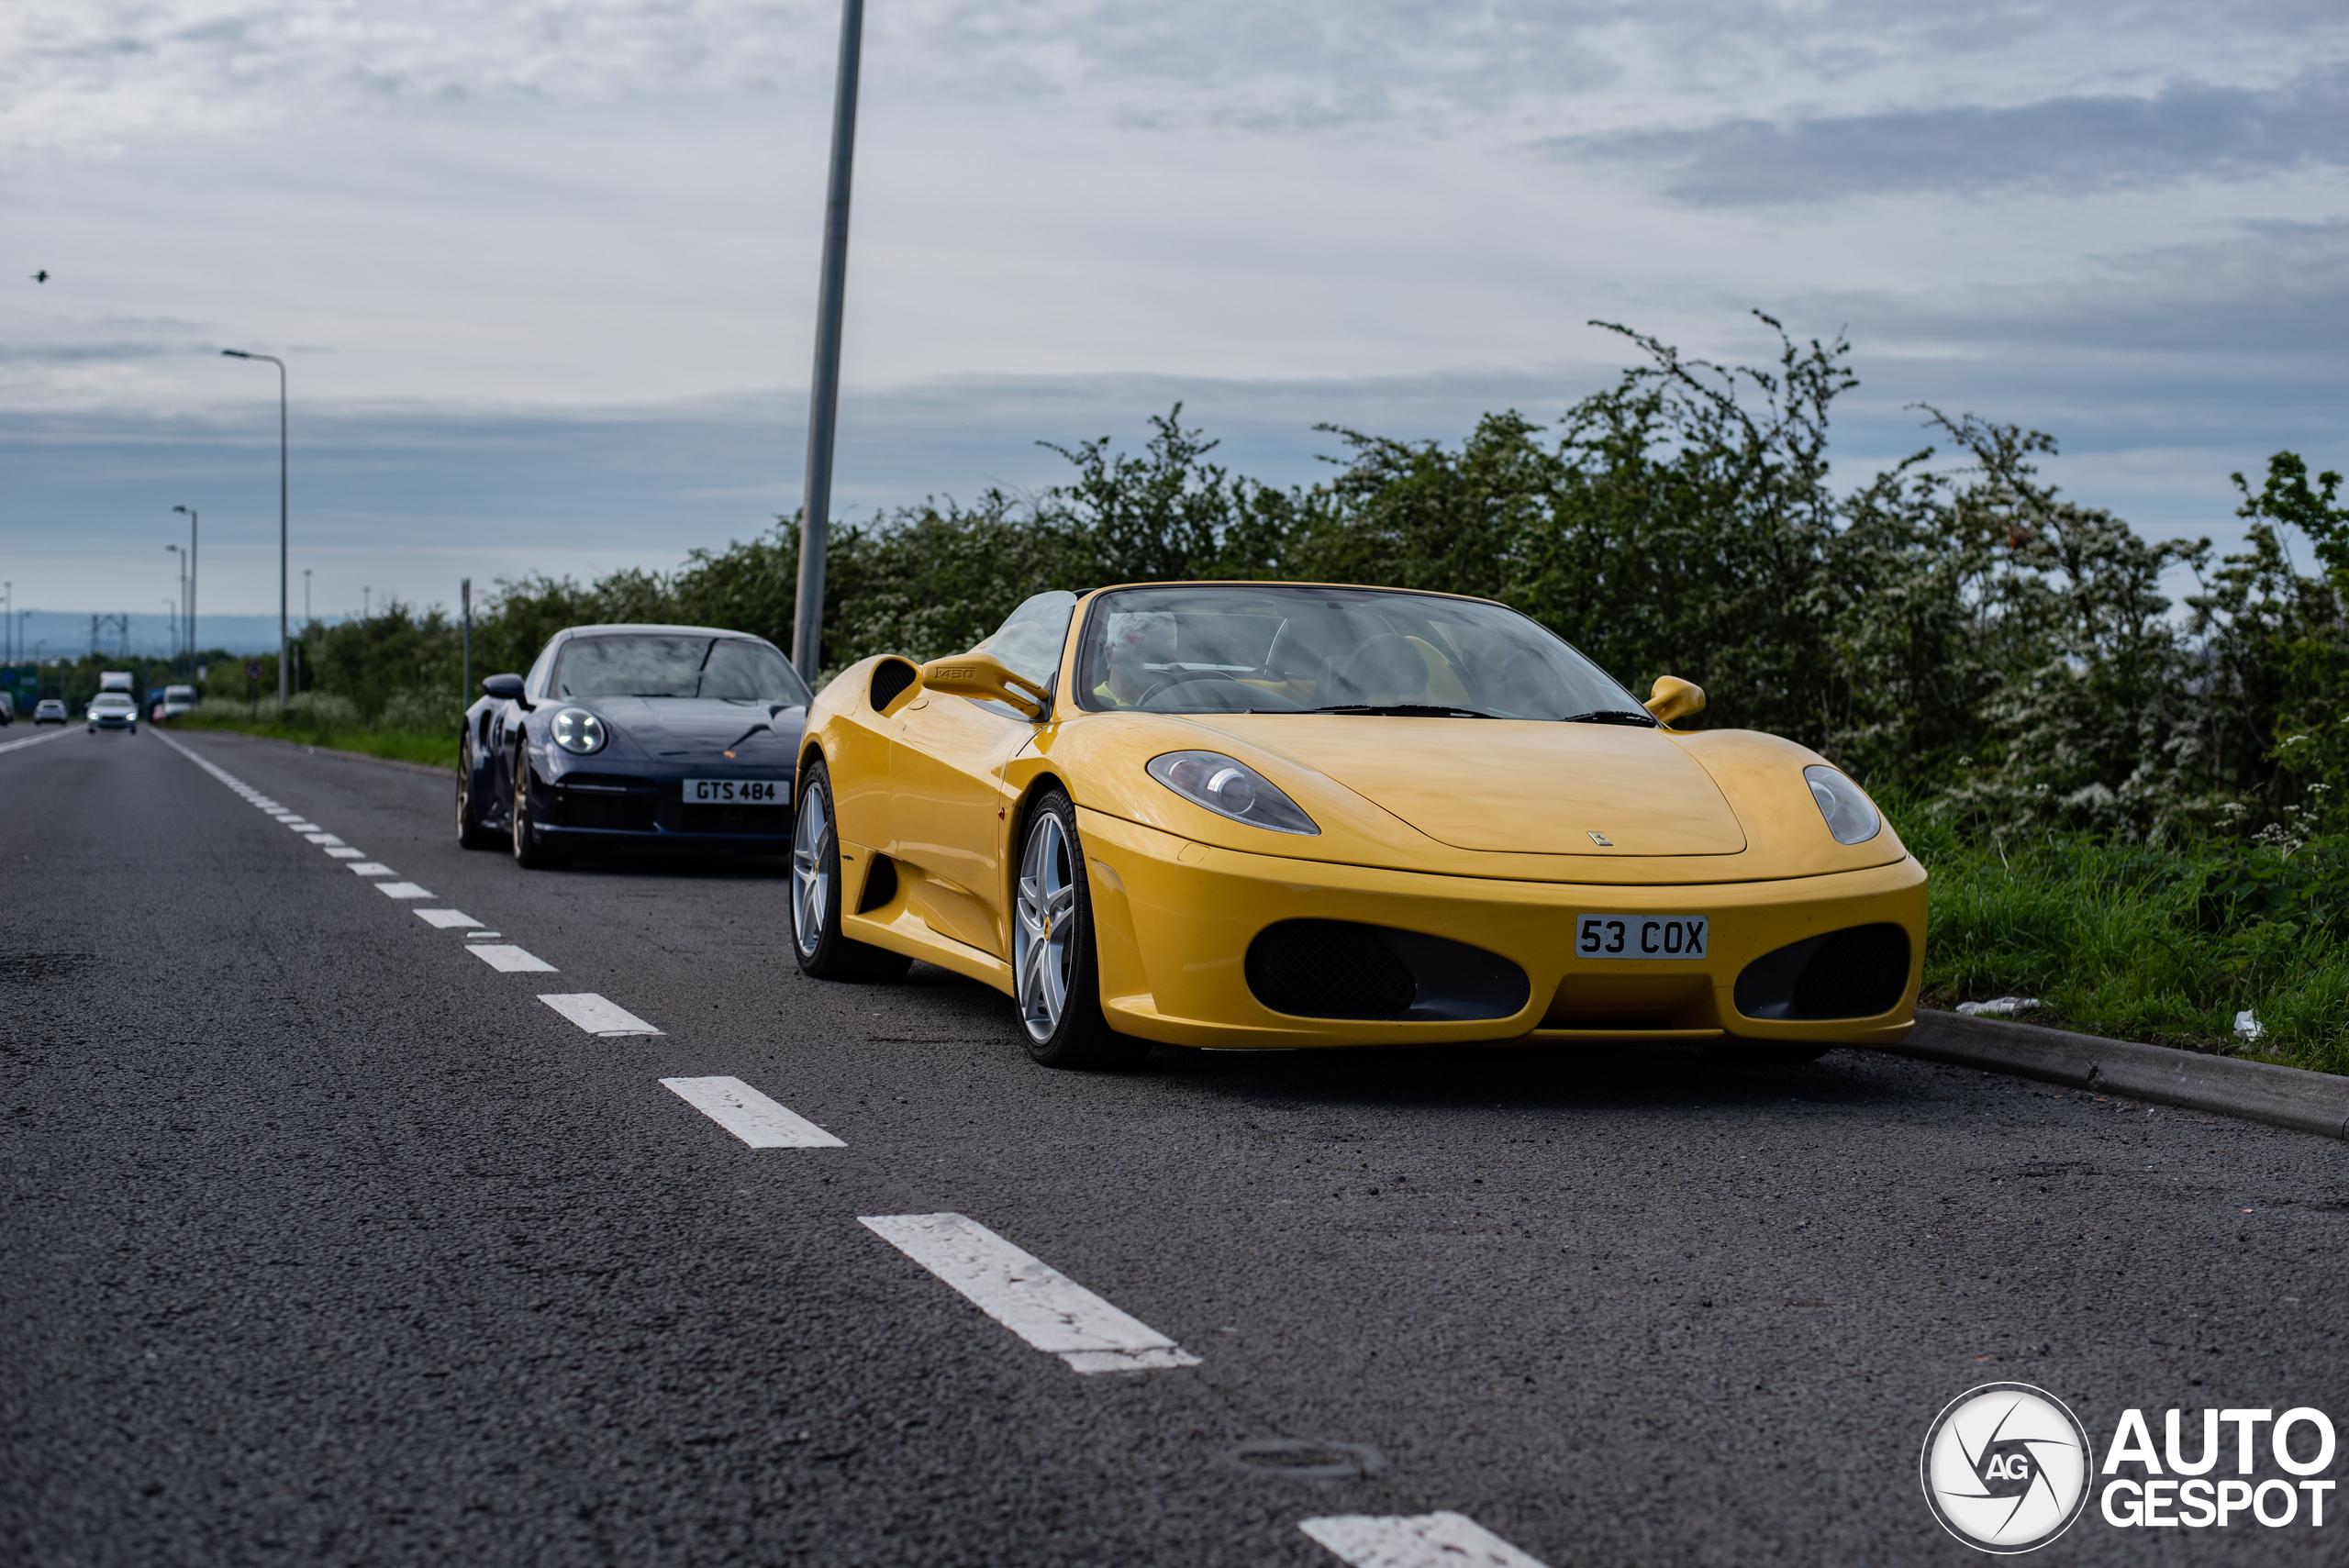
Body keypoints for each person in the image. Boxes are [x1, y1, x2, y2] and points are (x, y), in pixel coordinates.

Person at [1091, 611, 1178, 706]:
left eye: (1164, 657)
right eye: (1141, 653)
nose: (1155, 665)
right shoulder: (1089, 708)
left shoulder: (1184, 705)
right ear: (1110, 655)